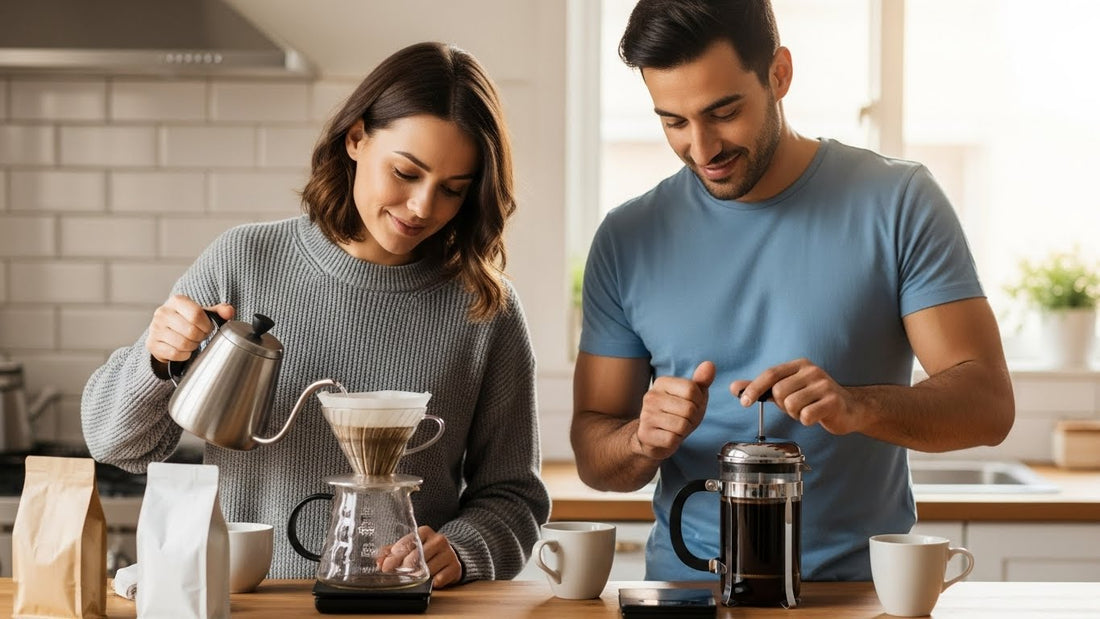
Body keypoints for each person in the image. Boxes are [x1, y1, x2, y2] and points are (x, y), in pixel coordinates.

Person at [570, 0, 1015, 582]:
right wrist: (639, 440)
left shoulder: (898, 201)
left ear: (779, 74)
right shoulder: (628, 238)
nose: (702, 150)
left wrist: (858, 406)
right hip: (688, 593)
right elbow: (594, 455)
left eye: (723, 112)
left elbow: (987, 407)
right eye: (674, 122)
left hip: (857, 596)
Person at [82, 41, 550, 587]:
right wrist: (158, 359)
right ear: (356, 139)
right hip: (251, 599)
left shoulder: (484, 306)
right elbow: (114, 443)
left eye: (451, 190)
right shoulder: (245, 262)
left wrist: (465, 550)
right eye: (405, 172)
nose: (423, 207)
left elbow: (514, 496)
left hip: (402, 603)